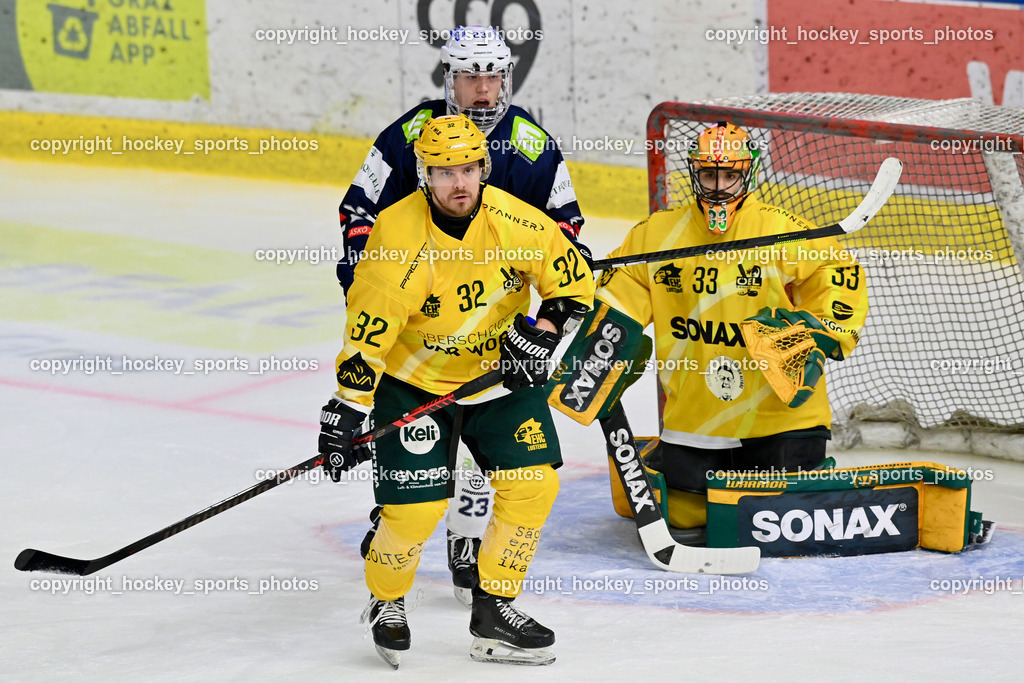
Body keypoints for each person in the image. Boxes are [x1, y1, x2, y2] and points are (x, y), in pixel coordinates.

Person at [318, 114, 594, 667]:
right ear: (425, 174)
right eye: (444, 172)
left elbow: (572, 282)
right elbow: (368, 334)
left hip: (499, 379)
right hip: (415, 386)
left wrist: (542, 334)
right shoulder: (396, 236)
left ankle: (494, 607)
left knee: (533, 486)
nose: (458, 183)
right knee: (415, 512)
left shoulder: (516, 220)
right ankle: (387, 598)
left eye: (468, 169)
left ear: (484, 167)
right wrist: (348, 408)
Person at [597, 121, 868, 533]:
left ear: (748, 173)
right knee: (684, 516)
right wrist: (605, 340)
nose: (719, 187)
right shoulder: (657, 234)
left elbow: (837, 270)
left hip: (780, 415)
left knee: (781, 516)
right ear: (694, 173)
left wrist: (817, 330)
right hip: (697, 416)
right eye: (709, 175)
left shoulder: (780, 229)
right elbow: (621, 289)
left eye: (730, 175)